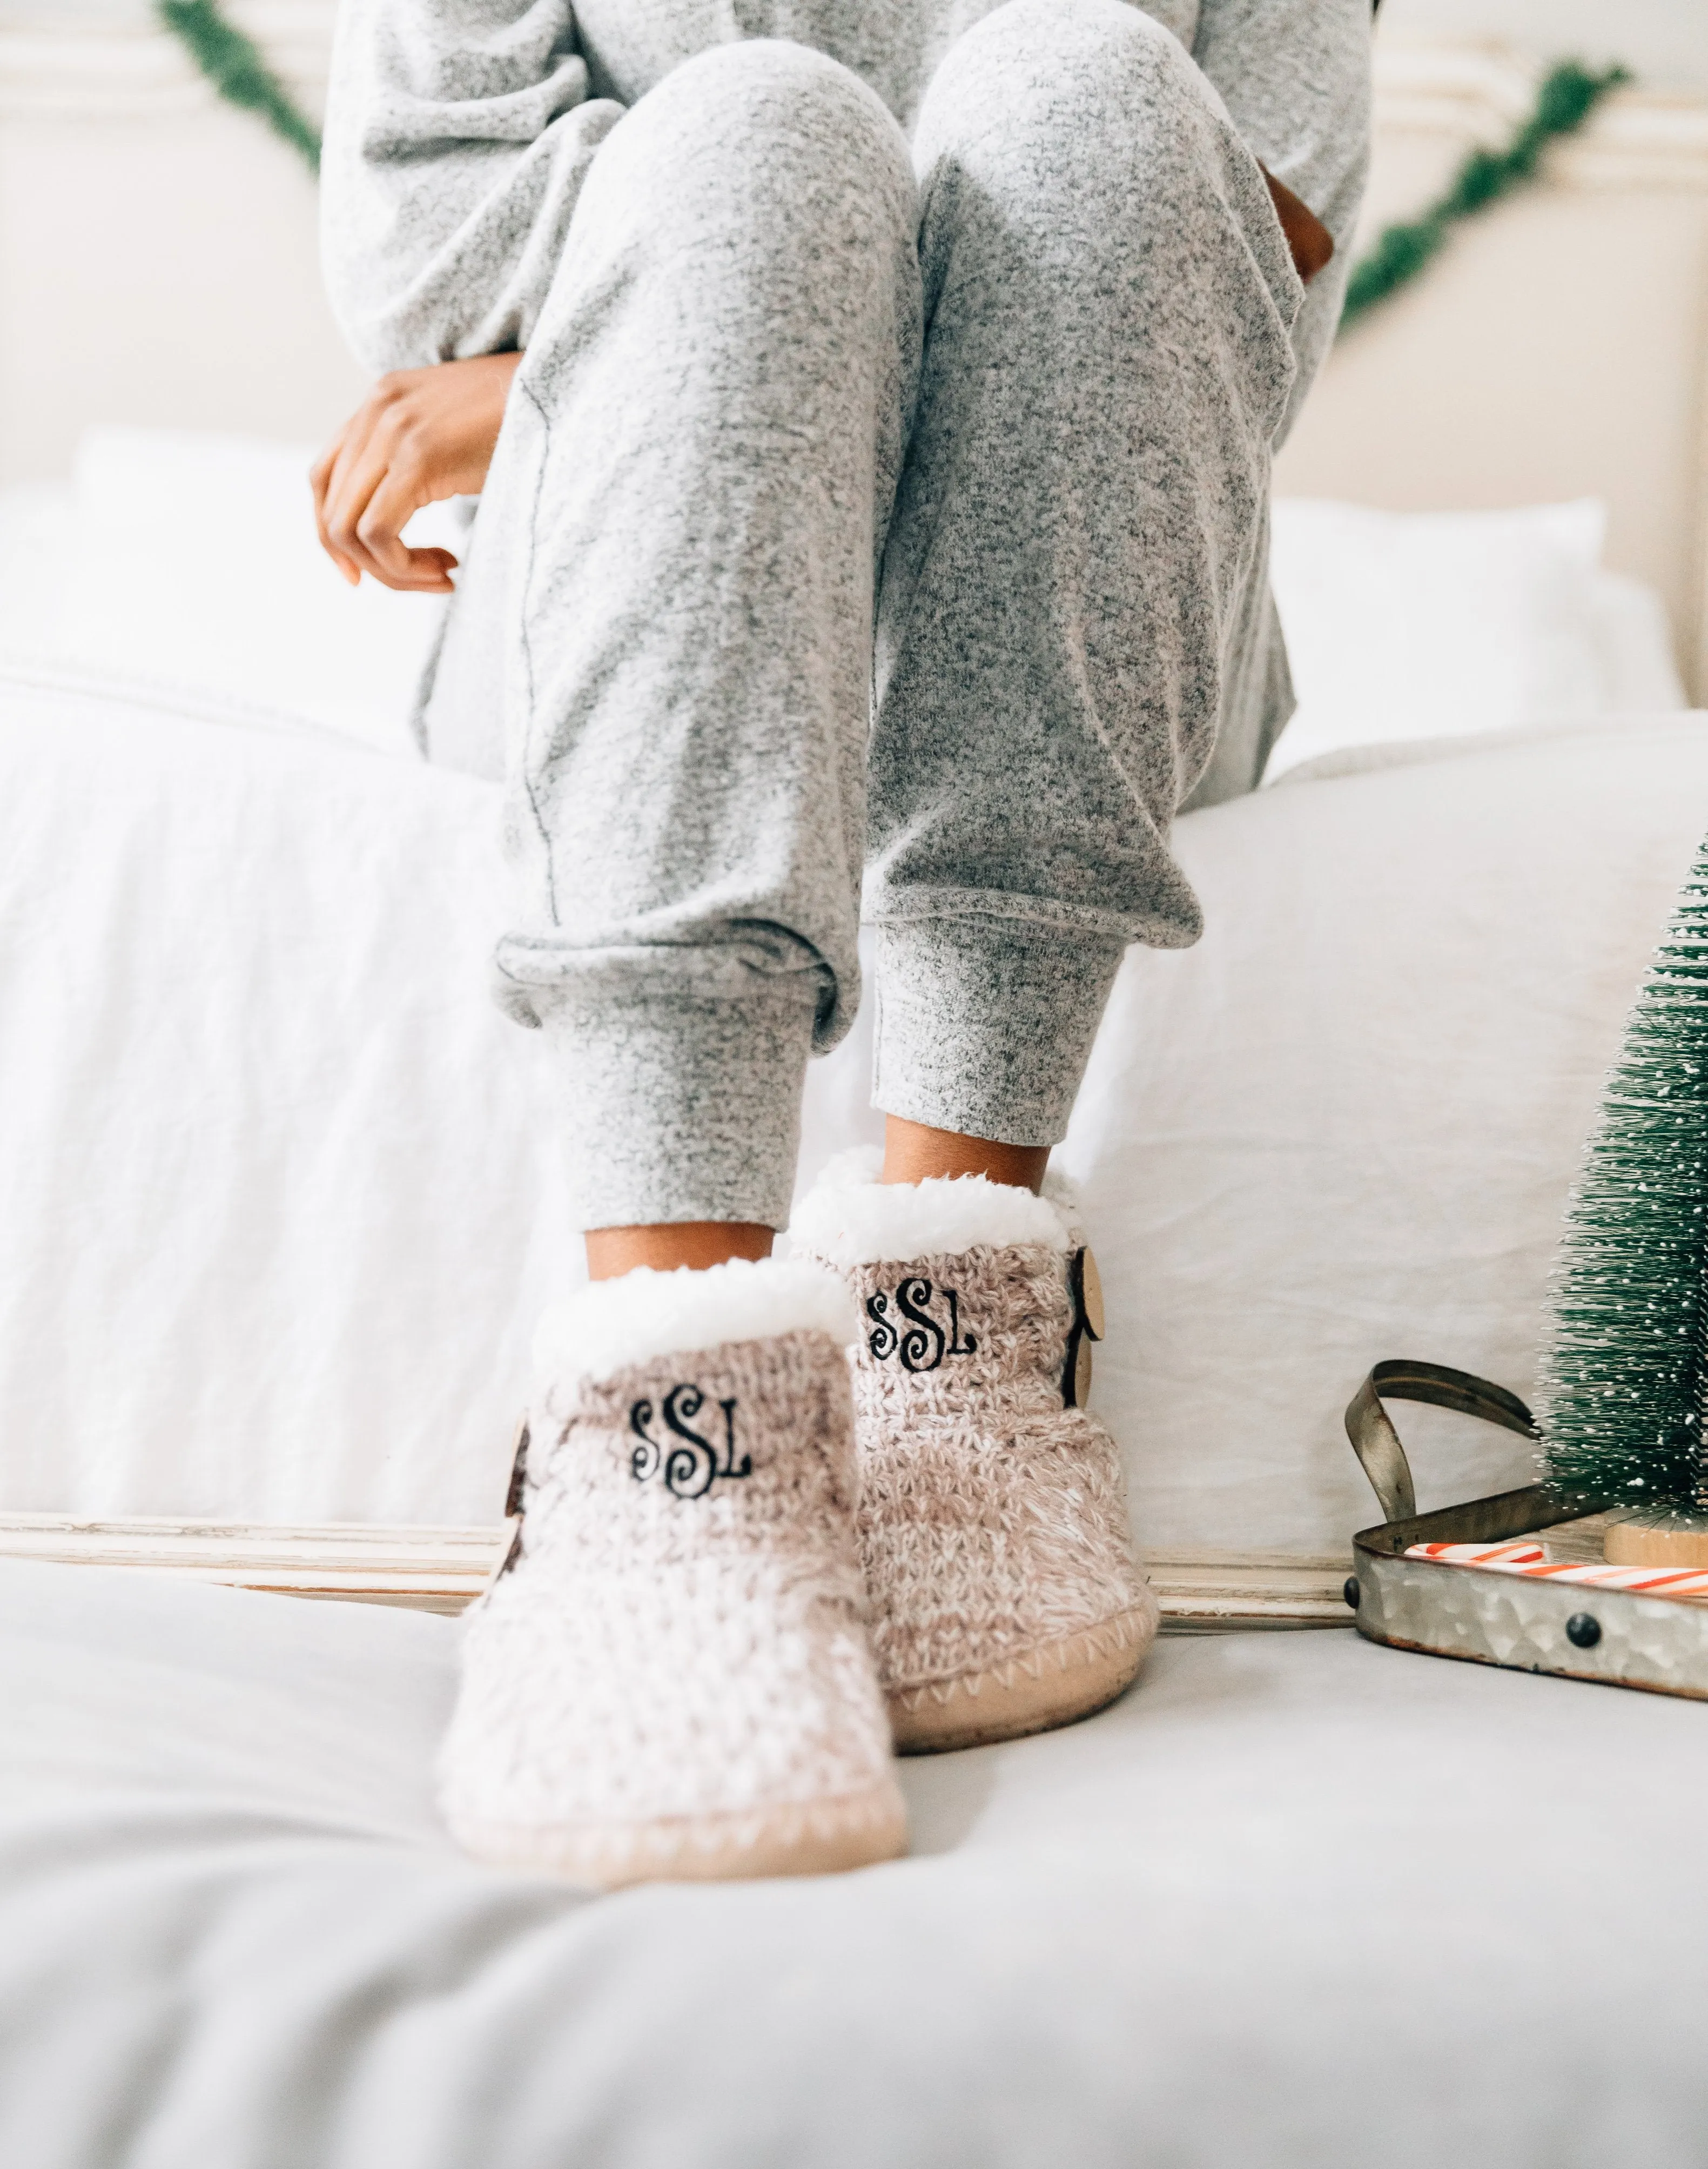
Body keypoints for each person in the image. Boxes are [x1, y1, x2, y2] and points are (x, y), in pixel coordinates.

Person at [314, 0, 1370, 1890]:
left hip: (1112, 580)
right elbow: (427, 253)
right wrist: (744, 242)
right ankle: (667, 1422)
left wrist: (727, 310)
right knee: (754, 137)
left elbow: (1247, 246)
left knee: (1091, 89)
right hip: (615, 567)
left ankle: (956, 1311)